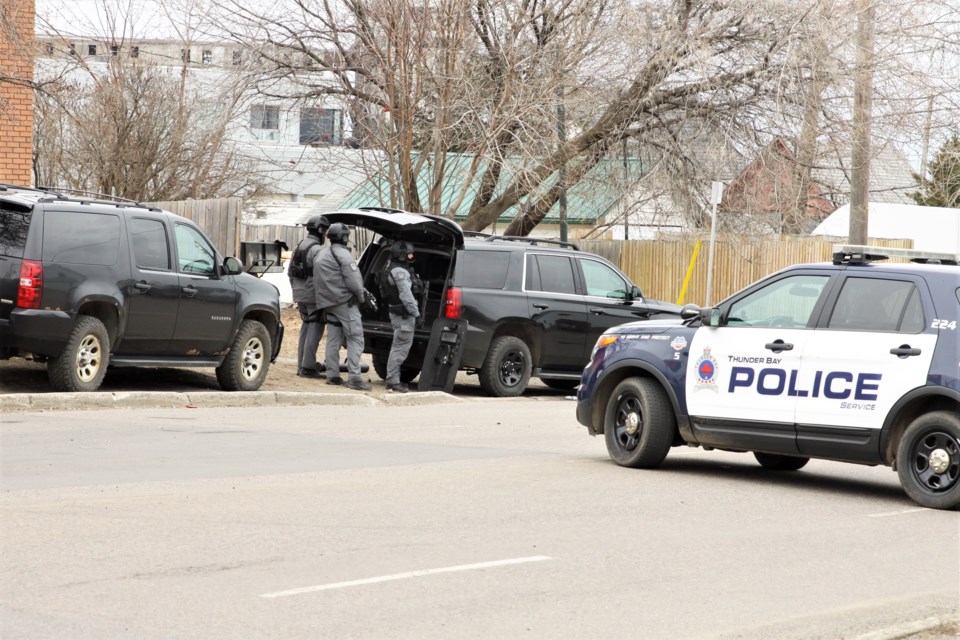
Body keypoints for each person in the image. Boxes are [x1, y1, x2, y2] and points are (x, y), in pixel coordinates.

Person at [313, 222, 371, 391]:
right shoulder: (344, 256)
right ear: (344, 237)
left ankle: (332, 375)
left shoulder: (321, 254)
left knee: (333, 338)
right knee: (356, 337)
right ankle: (354, 378)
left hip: (327, 303)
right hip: (344, 302)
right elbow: (354, 282)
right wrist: (361, 298)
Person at [287, 215, 329, 378]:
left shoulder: (299, 246)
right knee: (315, 328)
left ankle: (302, 365)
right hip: (312, 295)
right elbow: (323, 275)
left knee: (306, 327)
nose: (325, 234)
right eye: (324, 230)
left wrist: (296, 291)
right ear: (319, 230)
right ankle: (309, 367)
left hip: (299, 294)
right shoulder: (317, 250)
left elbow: (290, 272)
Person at [378, 241, 422, 393]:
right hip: (403, 314)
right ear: (402, 256)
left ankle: (393, 379)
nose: (411, 256)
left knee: (399, 345)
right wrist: (416, 314)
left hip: (398, 313)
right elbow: (406, 296)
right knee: (400, 347)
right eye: (408, 254)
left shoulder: (391, 267)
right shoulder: (399, 272)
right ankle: (393, 381)